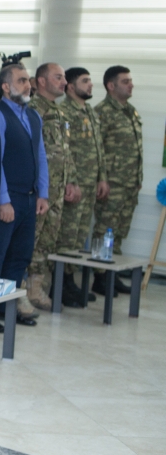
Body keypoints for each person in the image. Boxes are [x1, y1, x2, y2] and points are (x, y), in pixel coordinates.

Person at [0, 64, 49, 328]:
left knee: (20, 257)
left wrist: (43, 193)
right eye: (21, 81)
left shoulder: (34, 116)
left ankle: (5, 310)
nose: (28, 86)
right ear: (6, 87)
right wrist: (3, 200)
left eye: (28, 81)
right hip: (8, 198)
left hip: (30, 197)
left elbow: (41, 156)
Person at [25, 63, 79, 311]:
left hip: (58, 189)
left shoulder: (58, 112)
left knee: (47, 241)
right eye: (58, 77)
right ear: (41, 82)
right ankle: (23, 290)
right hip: (41, 191)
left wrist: (71, 180)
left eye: (65, 77)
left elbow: (64, 151)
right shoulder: (32, 109)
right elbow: (32, 153)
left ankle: (38, 288)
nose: (64, 82)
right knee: (31, 240)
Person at [57, 67, 108, 301]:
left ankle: (71, 282)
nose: (90, 85)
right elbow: (64, 152)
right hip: (74, 186)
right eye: (85, 81)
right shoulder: (64, 112)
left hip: (90, 184)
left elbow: (99, 150)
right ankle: (61, 284)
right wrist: (72, 181)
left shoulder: (90, 111)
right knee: (67, 237)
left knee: (79, 237)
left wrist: (102, 178)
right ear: (70, 86)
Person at [92, 65, 142, 296]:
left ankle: (112, 275)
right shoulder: (102, 112)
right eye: (125, 81)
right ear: (111, 86)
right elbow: (96, 150)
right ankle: (100, 278)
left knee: (120, 232)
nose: (131, 85)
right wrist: (102, 179)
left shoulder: (130, 111)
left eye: (130, 81)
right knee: (105, 230)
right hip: (111, 183)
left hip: (129, 183)